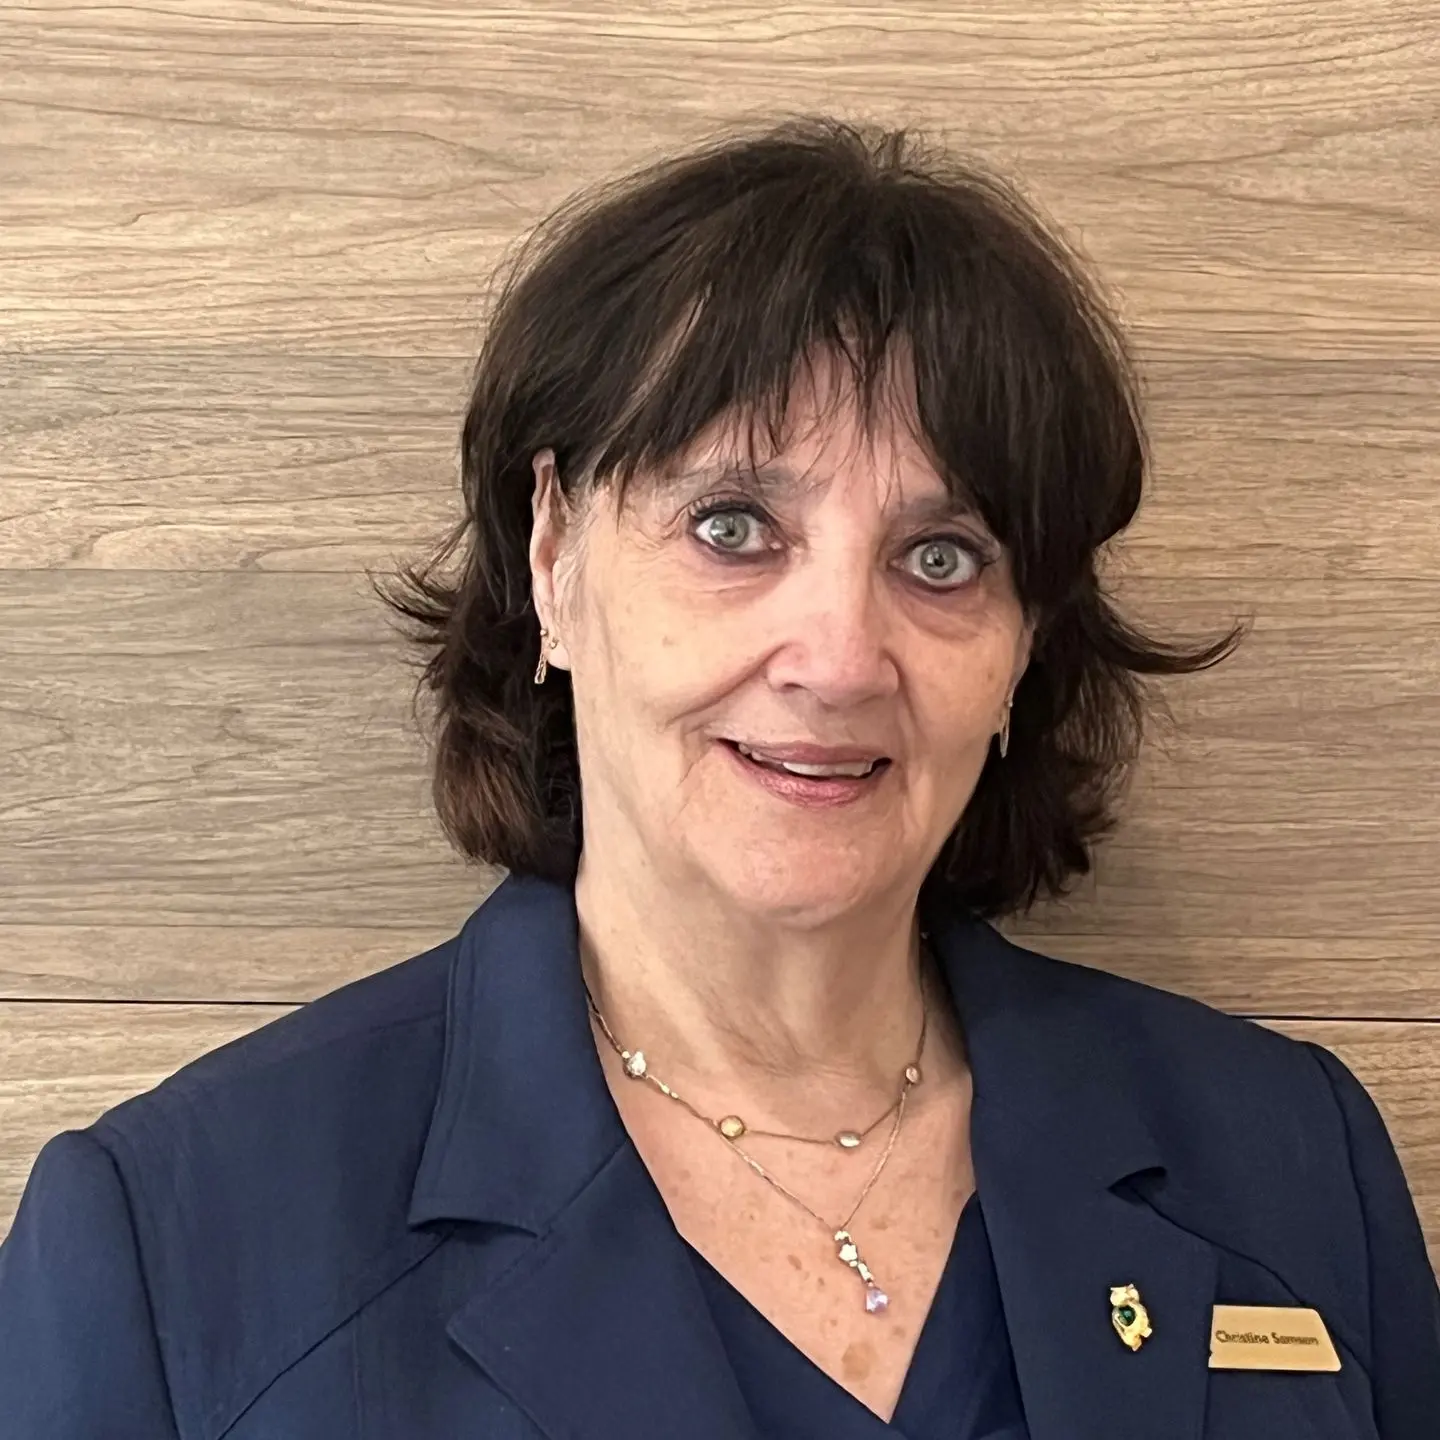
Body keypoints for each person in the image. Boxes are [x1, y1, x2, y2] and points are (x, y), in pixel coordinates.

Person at [1, 114, 1436, 1440]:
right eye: (734, 526)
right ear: (554, 558)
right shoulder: (174, 1246)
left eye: (942, 558)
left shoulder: (1291, 1160)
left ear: (1023, 647)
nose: (842, 657)